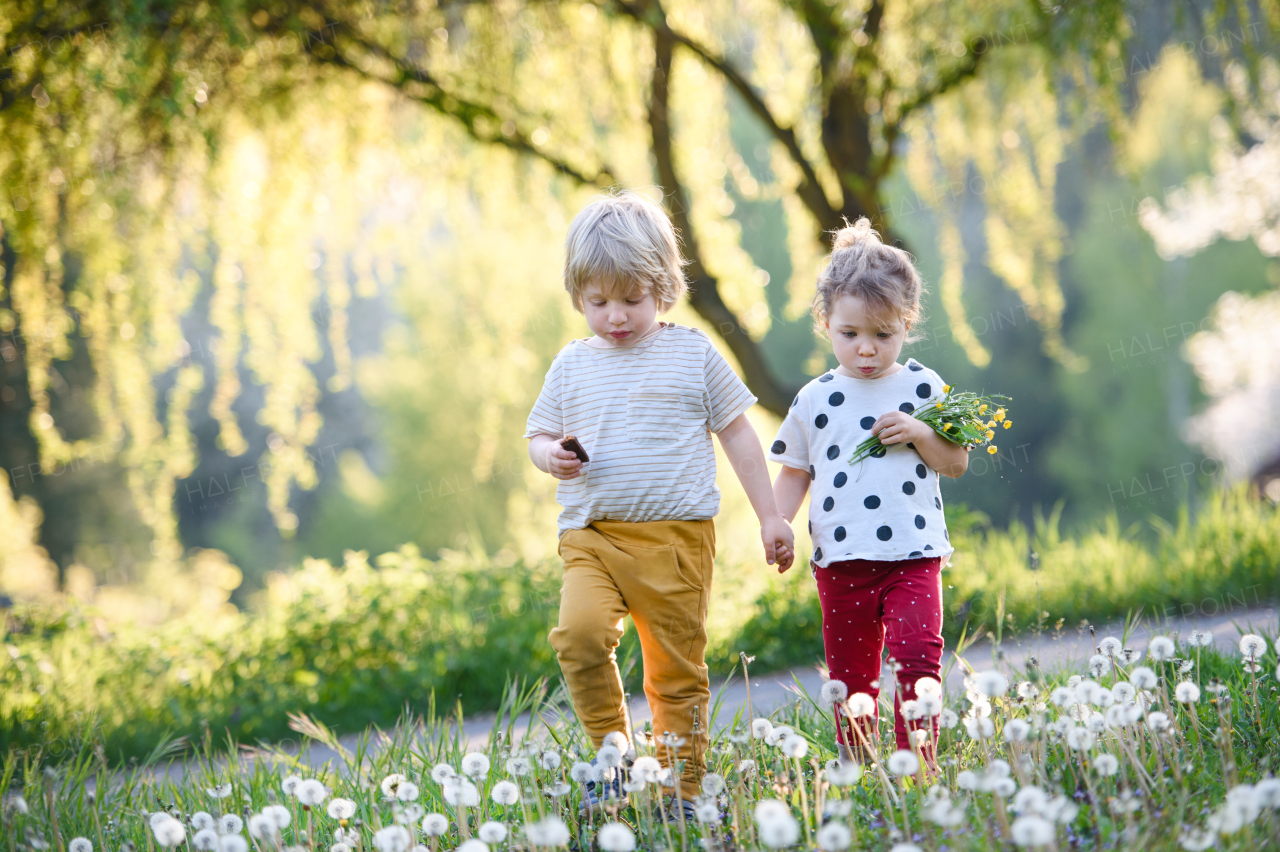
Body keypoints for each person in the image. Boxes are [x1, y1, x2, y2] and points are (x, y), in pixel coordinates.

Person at [525, 190, 795, 818]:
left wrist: (770, 514)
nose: (615, 316)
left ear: (663, 288)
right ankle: (611, 756)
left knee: (675, 670)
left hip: (677, 541)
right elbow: (537, 435)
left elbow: (738, 434)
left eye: (631, 300)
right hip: (592, 537)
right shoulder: (571, 364)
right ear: (577, 296)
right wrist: (550, 456)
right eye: (598, 302)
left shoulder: (693, 354)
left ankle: (681, 787)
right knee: (580, 635)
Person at [768, 217, 968, 768]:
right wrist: (777, 522)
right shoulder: (815, 397)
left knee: (917, 658)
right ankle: (857, 770)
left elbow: (956, 463)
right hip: (842, 559)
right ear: (825, 323)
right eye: (850, 334)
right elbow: (794, 472)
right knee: (851, 677)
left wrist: (923, 433)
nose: (866, 350)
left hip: (913, 553)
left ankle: (918, 765)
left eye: (884, 335)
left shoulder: (924, 386)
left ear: (906, 325)